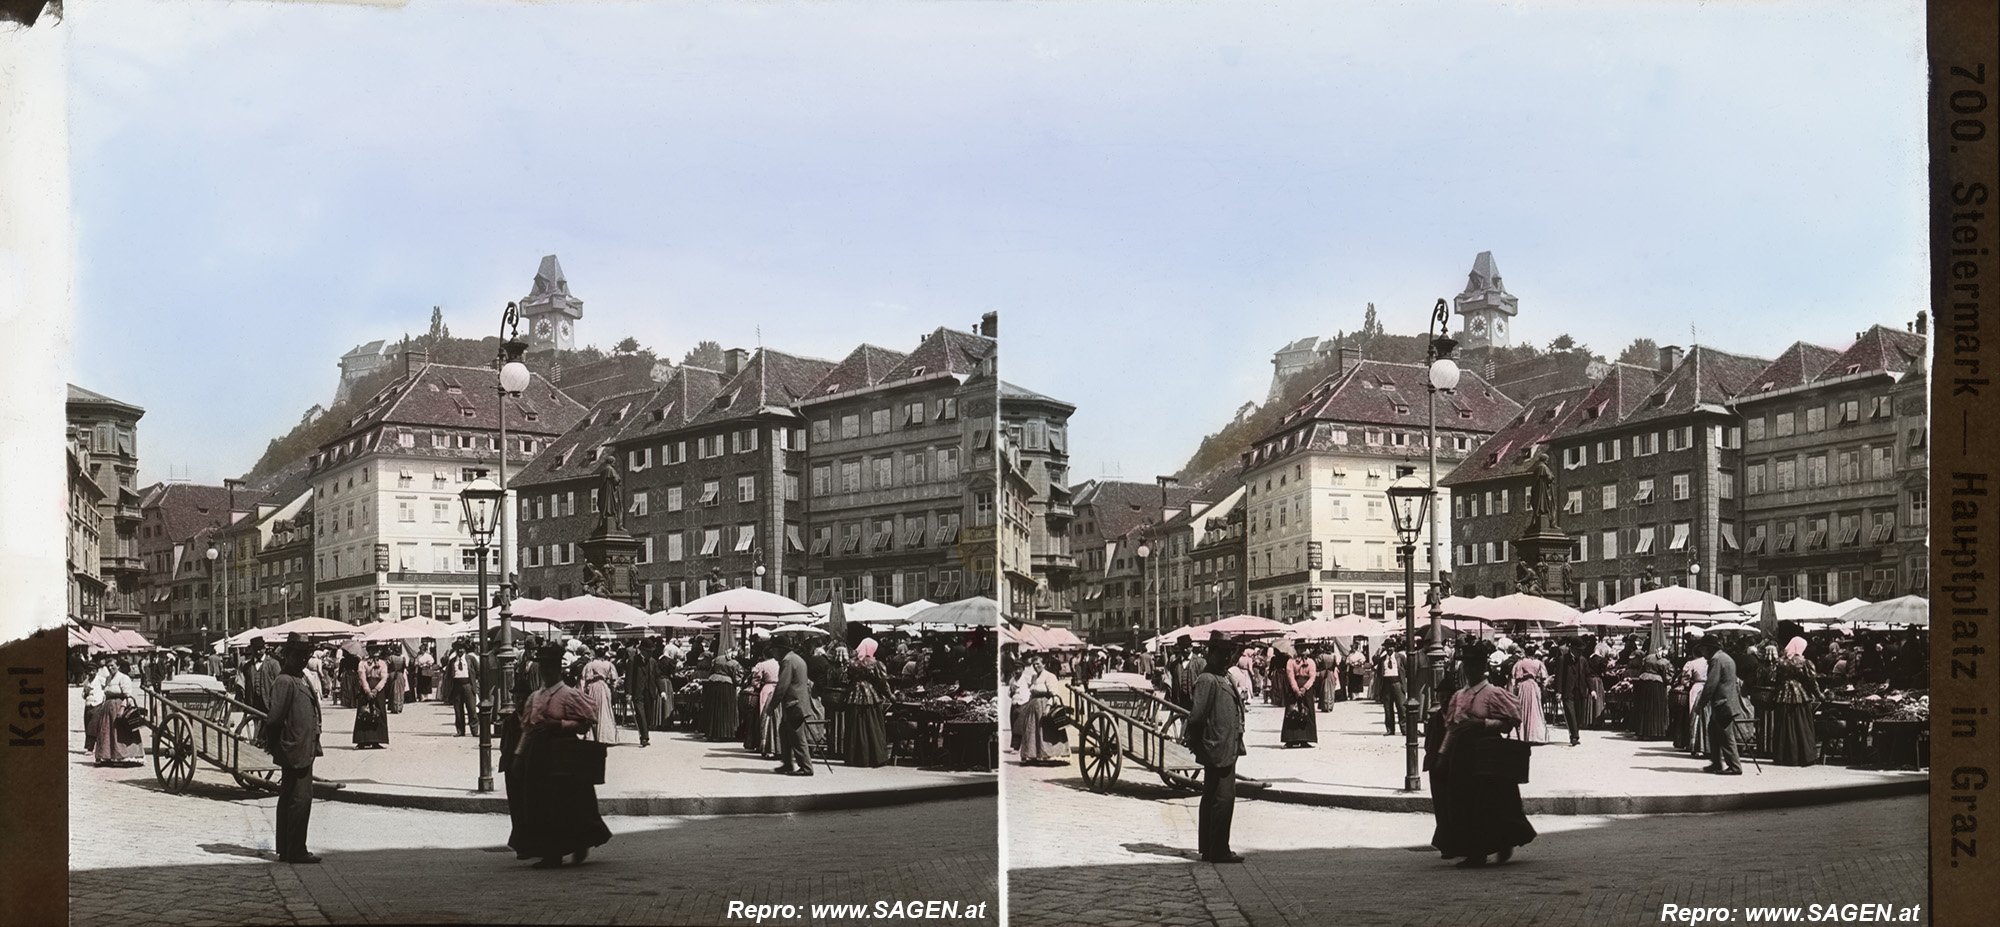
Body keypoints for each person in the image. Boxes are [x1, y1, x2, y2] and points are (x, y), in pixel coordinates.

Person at [1431, 640, 1536, 867]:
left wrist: (1483, 724)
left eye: (1474, 665)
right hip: (1462, 755)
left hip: (1487, 753)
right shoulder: (1459, 696)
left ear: (1483, 667)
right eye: (1466, 666)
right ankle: (1473, 850)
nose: (1470, 671)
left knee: (1490, 802)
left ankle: (1496, 845)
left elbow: (1509, 723)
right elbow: (1452, 729)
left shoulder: (1493, 693)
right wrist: (1442, 755)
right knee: (1463, 802)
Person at [508, 644, 613, 869]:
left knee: (566, 804)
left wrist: (560, 724)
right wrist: (518, 756)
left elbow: (585, 724)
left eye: (549, 666)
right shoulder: (536, 697)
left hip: (563, 754)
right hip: (538, 755)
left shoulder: (569, 695)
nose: (545, 671)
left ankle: (574, 846)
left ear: (557, 669)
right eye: (542, 666)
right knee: (540, 804)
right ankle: (550, 852)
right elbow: (527, 730)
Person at [263, 640, 324, 864]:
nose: (302, 660)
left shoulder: (301, 677)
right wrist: (276, 745)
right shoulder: (285, 681)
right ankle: (295, 850)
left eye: (305, 656)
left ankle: (288, 849)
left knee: (293, 798)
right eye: (297, 656)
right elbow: (274, 719)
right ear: (287, 656)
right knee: (300, 799)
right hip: (294, 748)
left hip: (303, 746)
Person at [1186, 635, 1246, 864]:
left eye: (1229, 652)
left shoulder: (1224, 676)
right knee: (1223, 798)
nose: (1227, 656)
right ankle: (1218, 849)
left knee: (1214, 796)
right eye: (1223, 652)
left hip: (1226, 745)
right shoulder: (1208, 679)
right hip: (1217, 747)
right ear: (1212, 652)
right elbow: (1196, 718)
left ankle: (1211, 848)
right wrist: (1201, 745)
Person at [1696, 636, 1748, 775]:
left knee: (1726, 736)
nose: (1702, 653)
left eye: (1702, 649)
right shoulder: (1725, 657)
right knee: (1713, 731)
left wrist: (1701, 704)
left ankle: (1734, 766)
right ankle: (1716, 762)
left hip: (1723, 703)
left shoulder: (1716, 660)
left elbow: (1711, 684)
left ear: (1708, 648)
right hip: (1728, 701)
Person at [1770, 636, 1822, 766]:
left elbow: (1772, 679)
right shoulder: (1804, 662)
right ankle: (1803, 756)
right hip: (1800, 695)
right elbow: (1812, 681)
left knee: (1784, 726)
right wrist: (1820, 695)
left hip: (1782, 695)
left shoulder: (1780, 662)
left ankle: (1783, 756)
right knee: (1801, 724)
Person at [773, 637, 819, 776]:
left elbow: (782, 686)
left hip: (794, 704)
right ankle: (787, 763)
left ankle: (806, 767)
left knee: (796, 736)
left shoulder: (787, 661)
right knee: (785, 732)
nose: (773, 655)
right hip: (800, 702)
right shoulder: (797, 659)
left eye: (773, 650)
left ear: (780, 649)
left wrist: (771, 706)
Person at [845, 638, 892, 767]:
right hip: (871, 696)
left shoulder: (852, 663)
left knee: (856, 726)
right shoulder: (875, 664)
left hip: (854, 696)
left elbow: (844, 679)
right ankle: (874, 756)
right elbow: (883, 682)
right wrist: (891, 696)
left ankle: (855, 757)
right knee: (872, 726)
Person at [1017, 654, 1068, 764]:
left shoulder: (1050, 676)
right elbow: (1032, 692)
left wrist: (1048, 708)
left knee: (1045, 730)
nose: (1035, 666)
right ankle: (1033, 754)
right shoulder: (1034, 677)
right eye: (1034, 665)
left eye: (1038, 664)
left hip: (1044, 705)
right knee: (1031, 730)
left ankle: (1050, 755)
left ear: (1044, 664)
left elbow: (1054, 695)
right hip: (1033, 706)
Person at [92, 658, 140, 766]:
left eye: (112, 665)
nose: (110, 668)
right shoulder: (108, 678)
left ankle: (123, 756)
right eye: (108, 666)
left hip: (119, 706)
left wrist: (122, 708)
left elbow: (128, 695)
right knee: (106, 732)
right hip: (107, 708)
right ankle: (107, 755)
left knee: (119, 731)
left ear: (118, 666)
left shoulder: (123, 678)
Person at [1549, 641, 1589, 747]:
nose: (1580, 653)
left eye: (1581, 651)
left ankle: (1575, 733)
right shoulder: (1562, 659)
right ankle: (1574, 736)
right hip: (1567, 691)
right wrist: (1558, 692)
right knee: (1570, 714)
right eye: (1578, 650)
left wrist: (1592, 689)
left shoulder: (1583, 660)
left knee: (1578, 715)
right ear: (1572, 649)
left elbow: (1588, 675)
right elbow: (1559, 676)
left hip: (1580, 691)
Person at [1509, 644, 1549, 746]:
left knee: (1524, 709)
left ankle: (1524, 735)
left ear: (1525, 652)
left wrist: (1515, 689)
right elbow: (1544, 677)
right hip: (1534, 686)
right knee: (1535, 709)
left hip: (1523, 686)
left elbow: (1515, 676)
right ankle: (1536, 735)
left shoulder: (1520, 663)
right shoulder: (1538, 663)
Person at [626, 639, 662, 747]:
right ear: (642, 650)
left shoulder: (653, 661)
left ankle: (644, 734)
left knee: (648, 716)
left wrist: (662, 691)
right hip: (638, 692)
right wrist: (628, 693)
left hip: (649, 692)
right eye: (648, 651)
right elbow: (629, 678)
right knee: (641, 715)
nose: (650, 653)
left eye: (651, 651)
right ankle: (644, 738)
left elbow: (657, 677)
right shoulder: (633, 661)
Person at [581, 646, 619, 746]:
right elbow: (614, 679)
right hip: (604, 687)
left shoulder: (591, 664)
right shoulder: (609, 665)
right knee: (605, 710)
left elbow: (586, 677)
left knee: (594, 709)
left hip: (594, 687)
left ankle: (593, 736)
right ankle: (606, 736)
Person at [352, 647, 390, 749]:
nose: (375, 652)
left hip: (379, 690)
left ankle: (377, 740)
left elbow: (384, 677)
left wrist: (376, 689)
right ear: (369, 651)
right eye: (373, 650)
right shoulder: (363, 663)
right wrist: (367, 690)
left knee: (378, 711)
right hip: (366, 689)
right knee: (364, 712)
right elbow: (362, 677)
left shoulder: (382, 663)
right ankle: (362, 740)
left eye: (377, 650)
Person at [1281, 645, 1318, 748]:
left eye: (1303, 648)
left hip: (1306, 689)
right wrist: (1296, 689)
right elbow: (1290, 676)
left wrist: (1305, 688)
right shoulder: (1291, 662)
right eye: (1300, 648)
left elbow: (1312, 676)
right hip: (1295, 688)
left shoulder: (1310, 662)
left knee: (1307, 711)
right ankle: (1290, 739)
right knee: (1292, 711)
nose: (1302, 650)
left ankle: (1305, 739)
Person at [701, 649, 741, 742]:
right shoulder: (734, 663)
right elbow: (737, 678)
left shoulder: (717, 659)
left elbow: (711, 671)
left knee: (713, 709)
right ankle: (724, 734)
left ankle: (711, 732)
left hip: (713, 685)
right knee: (726, 710)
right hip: (727, 687)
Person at [1680, 644, 1710, 758]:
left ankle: (1694, 744)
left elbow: (1685, 680)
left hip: (1696, 688)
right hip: (1708, 688)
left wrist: (1686, 684)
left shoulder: (1691, 663)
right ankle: (1706, 745)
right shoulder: (1710, 662)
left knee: (1694, 716)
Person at [751, 644, 781, 755]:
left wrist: (757, 685)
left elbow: (755, 681)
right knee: (777, 718)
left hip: (767, 689)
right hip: (778, 689)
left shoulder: (762, 665)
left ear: (764, 655)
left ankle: (763, 743)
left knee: (764, 716)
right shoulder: (779, 663)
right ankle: (776, 744)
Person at [445, 642, 480, 736]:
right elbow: (448, 675)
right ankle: (460, 731)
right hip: (457, 686)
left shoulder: (470, 659)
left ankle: (475, 731)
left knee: (472, 709)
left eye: (462, 648)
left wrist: (475, 683)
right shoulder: (452, 661)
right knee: (458, 710)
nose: (460, 650)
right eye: (458, 649)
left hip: (468, 685)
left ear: (465, 649)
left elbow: (478, 671)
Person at [1375, 639, 1406, 735]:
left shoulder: (1400, 657)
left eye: (1391, 646)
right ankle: (1390, 729)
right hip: (1386, 684)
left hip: (1397, 683)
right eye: (1387, 646)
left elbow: (1407, 669)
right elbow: (1379, 674)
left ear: (1395, 647)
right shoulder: (1382, 659)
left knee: (1401, 707)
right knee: (1388, 708)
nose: (1389, 648)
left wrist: (1403, 684)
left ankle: (1404, 728)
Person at [385, 645, 408, 714]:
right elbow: (404, 667)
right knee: (400, 691)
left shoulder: (391, 657)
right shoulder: (403, 658)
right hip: (400, 674)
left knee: (393, 691)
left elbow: (387, 666)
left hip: (392, 674)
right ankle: (399, 707)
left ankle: (394, 707)